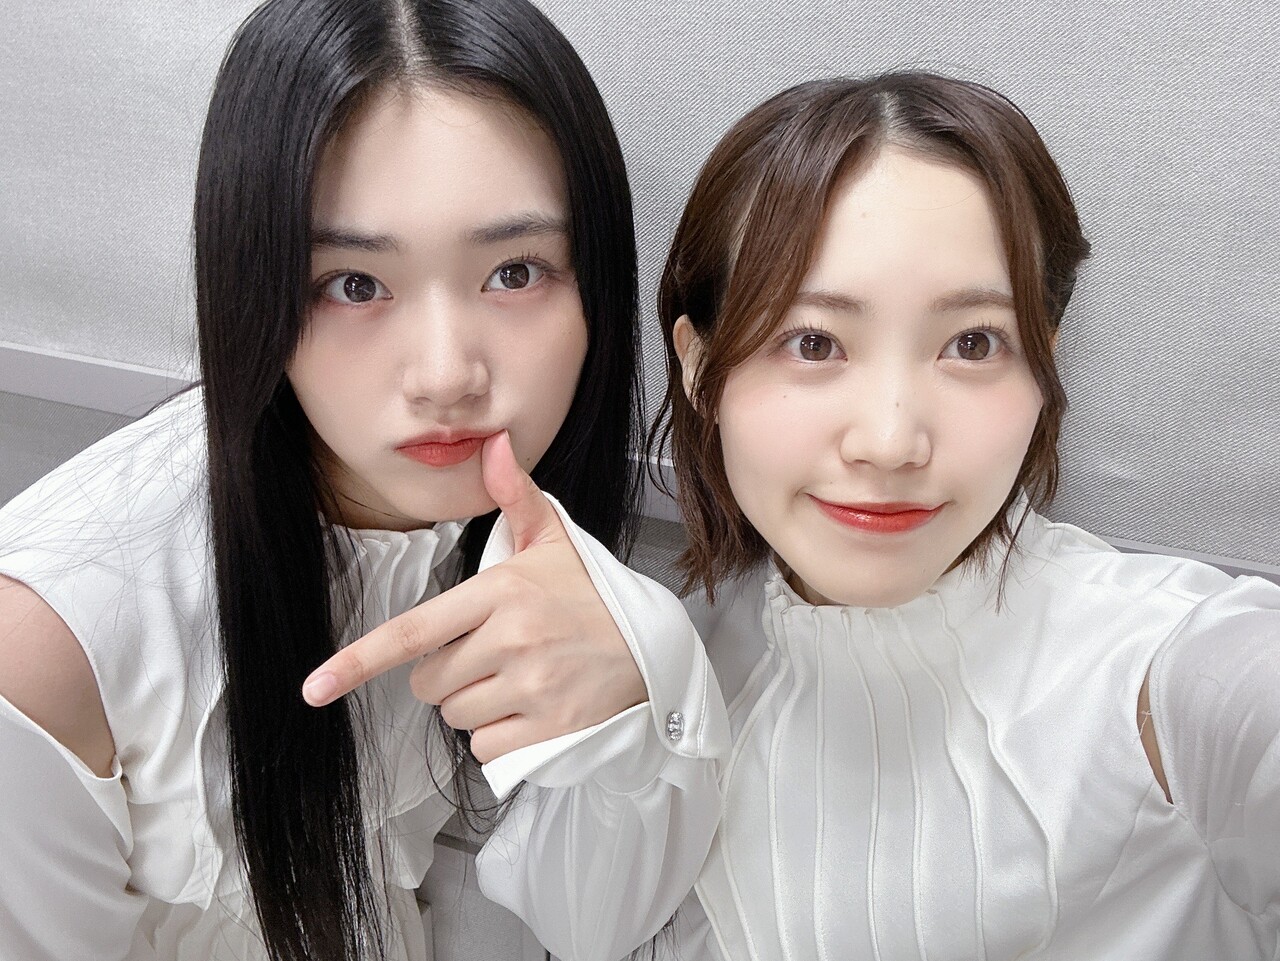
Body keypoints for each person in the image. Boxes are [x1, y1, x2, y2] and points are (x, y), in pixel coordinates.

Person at [0, 1, 726, 959]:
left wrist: (651, 675)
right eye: (354, 284)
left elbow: (593, 924)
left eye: (515, 272)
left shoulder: (522, 538)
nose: (446, 375)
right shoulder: (46, 650)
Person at [641, 71, 1280, 959]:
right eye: (813, 342)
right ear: (699, 368)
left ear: (1045, 359)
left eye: (973, 343)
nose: (892, 441)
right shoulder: (674, 669)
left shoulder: (1160, 672)